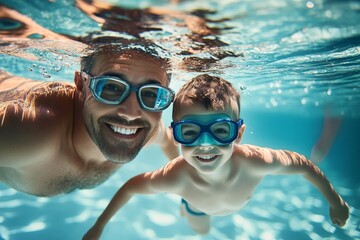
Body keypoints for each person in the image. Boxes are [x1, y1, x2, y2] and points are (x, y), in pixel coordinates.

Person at [82, 74, 349, 239]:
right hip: (197, 206)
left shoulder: (255, 162)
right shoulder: (175, 177)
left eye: (221, 130)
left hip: (223, 201)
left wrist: (334, 200)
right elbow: (130, 188)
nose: (206, 144)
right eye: (191, 131)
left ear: (239, 134)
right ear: (176, 135)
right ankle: (186, 207)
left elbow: (302, 165)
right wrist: (99, 226)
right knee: (203, 232)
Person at [0, 42, 179, 197]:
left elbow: (167, 141)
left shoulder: (147, 127)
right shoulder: (29, 131)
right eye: (111, 87)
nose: (131, 113)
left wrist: (183, 187)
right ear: (80, 85)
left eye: (150, 93)